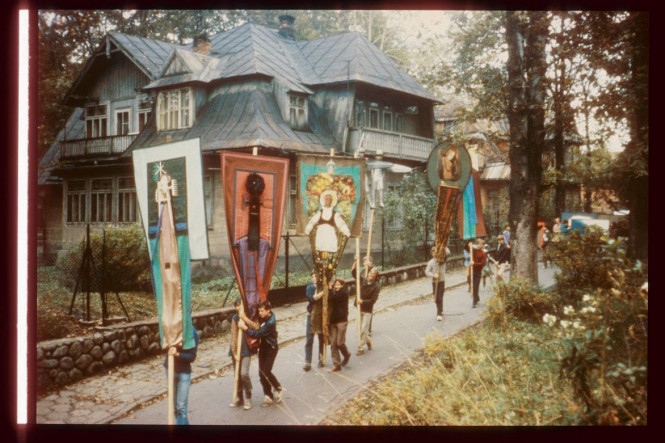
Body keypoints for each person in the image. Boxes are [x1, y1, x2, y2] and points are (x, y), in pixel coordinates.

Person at [238, 300, 283, 407]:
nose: (260, 313)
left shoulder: (270, 322)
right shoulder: (263, 316)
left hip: (271, 348)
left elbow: (258, 334)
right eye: (259, 311)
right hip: (263, 347)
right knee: (261, 373)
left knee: (266, 371)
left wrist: (245, 328)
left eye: (262, 311)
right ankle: (268, 396)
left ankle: (278, 387)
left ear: (268, 310)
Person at [304, 190, 351, 284]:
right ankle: (321, 276)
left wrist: (347, 232)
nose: (328, 201)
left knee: (329, 256)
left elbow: (341, 224)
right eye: (326, 199)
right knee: (320, 255)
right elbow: (312, 222)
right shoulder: (320, 212)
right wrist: (307, 230)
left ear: (332, 201)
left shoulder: (334, 213)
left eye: (329, 199)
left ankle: (328, 277)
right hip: (321, 234)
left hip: (330, 234)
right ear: (323, 200)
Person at [165, 330, 199, 425]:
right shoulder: (171, 328)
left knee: (181, 407)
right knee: (175, 408)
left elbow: (192, 357)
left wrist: (177, 354)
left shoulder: (193, 333)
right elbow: (162, 348)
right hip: (170, 370)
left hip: (184, 373)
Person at [229, 300, 255, 410]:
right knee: (237, 375)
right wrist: (235, 353)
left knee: (244, 373)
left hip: (246, 349)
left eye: (240, 305)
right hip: (237, 351)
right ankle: (239, 398)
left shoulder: (250, 315)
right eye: (236, 306)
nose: (238, 307)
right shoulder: (235, 318)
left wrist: (245, 319)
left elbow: (256, 327)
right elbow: (233, 336)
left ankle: (248, 396)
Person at [352, 258, 381, 354]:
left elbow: (373, 301)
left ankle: (360, 347)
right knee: (359, 329)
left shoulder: (376, 286)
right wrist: (355, 261)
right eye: (369, 275)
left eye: (373, 276)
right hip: (359, 308)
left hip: (368, 310)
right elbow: (354, 274)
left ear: (376, 277)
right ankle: (368, 340)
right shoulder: (363, 280)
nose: (370, 277)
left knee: (364, 329)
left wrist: (362, 301)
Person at [327, 278, 351, 372]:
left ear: (342, 285)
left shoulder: (343, 293)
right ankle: (337, 364)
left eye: (338, 285)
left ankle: (346, 354)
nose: (336, 286)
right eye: (335, 284)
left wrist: (329, 289)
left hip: (341, 320)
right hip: (333, 321)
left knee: (340, 343)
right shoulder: (334, 293)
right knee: (333, 344)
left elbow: (331, 298)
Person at [303, 273, 324, 371]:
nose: (314, 278)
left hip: (321, 315)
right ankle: (308, 362)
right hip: (311, 315)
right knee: (309, 339)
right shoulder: (310, 288)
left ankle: (321, 359)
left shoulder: (323, 286)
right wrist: (323, 292)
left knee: (321, 338)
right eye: (313, 277)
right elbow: (312, 299)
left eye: (316, 276)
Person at [425, 246, 450, 321]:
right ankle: (440, 310)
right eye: (433, 253)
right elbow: (427, 272)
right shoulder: (431, 262)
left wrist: (443, 246)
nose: (434, 254)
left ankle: (439, 314)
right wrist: (433, 275)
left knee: (440, 297)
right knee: (436, 298)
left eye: (435, 252)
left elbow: (448, 253)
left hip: (441, 281)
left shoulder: (443, 260)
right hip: (434, 282)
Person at [470, 238, 487, 308]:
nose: (479, 245)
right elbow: (466, 248)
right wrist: (469, 242)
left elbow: (482, 263)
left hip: (478, 272)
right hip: (472, 271)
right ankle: (476, 297)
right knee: (472, 285)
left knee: (475, 286)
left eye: (481, 244)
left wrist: (474, 263)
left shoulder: (483, 253)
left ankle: (474, 301)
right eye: (478, 244)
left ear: (483, 245)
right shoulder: (474, 251)